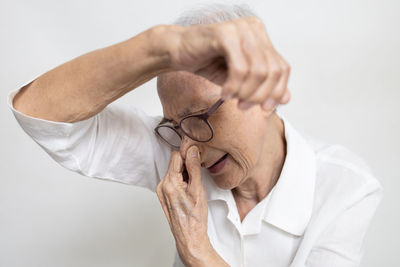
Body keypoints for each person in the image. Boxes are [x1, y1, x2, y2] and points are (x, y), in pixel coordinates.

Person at [8, 4, 382, 267]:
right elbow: (39, 112)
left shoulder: (346, 189)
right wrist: (158, 48)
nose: (192, 147)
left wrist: (197, 250)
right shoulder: (177, 147)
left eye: (201, 115)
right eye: (174, 124)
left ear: (265, 94)